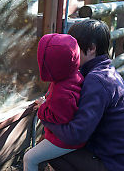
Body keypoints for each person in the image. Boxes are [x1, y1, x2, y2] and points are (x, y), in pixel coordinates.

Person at [40, 19, 124, 171]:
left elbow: (75, 135)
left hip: (116, 164)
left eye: (74, 46)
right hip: (121, 157)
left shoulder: (96, 80)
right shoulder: (105, 71)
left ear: (91, 48)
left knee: (48, 151)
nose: (70, 51)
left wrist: (45, 117)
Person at [23, 33, 85, 171]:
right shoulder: (71, 75)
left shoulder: (62, 92)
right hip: (69, 136)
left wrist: (42, 108)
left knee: (29, 158)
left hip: (65, 140)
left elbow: (59, 118)